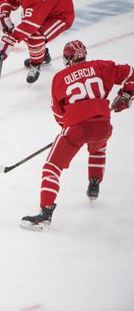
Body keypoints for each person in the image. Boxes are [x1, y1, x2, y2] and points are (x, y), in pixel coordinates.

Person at [20, 40, 134, 231]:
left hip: (77, 128)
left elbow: (58, 112)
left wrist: (67, 129)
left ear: (67, 59)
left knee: (52, 167)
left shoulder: (60, 78)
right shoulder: (101, 66)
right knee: (98, 147)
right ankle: (94, 185)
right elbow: (131, 74)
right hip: (104, 124)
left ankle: (45, 214)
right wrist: (127, 95)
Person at [0, 0, 75, 83]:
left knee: (34, 37)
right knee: (27, 34)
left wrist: (10, 41)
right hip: (46, 9)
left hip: (61, 15)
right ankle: (43, 54)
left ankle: (37, 64)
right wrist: (5, 14)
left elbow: (29, 26)